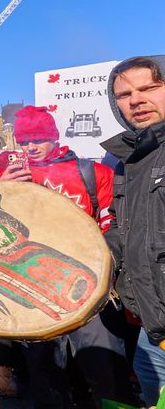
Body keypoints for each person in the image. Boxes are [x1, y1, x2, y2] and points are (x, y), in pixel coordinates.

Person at [0, 105, 139, 407]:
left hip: (90, 288)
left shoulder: (92, 172)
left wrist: (104, 267)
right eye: (24, 141)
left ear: (54, 137)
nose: (31, 147)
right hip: (36, 288)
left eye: (38, 139)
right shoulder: (12, 176)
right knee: (45, 373)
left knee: (105, 370)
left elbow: (115, 224)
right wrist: (1, 190)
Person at [102, 55, 165, 406]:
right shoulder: (130, 161)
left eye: (149, 88)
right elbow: (123, 228)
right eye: (124, 94)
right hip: (152, 329)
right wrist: (97, 253)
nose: (136, 100)